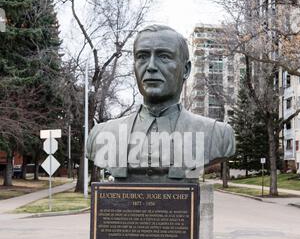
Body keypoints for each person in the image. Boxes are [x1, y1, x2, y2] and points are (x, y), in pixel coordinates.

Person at [86, 25, 235, 182]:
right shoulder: (101, 135)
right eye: (142, 56)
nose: (151, 66)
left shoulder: (217, 135)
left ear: (186, 69)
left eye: (164, 57)